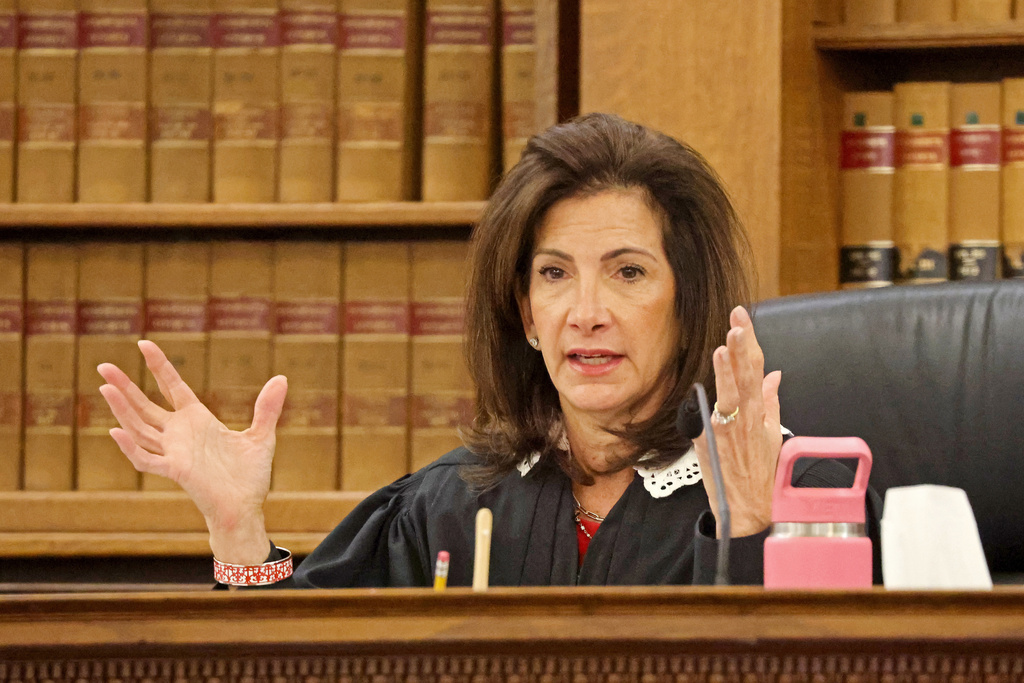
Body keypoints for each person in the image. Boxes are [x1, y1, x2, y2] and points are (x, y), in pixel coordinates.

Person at [97, 113, 881, 587]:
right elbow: (300, 660)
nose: (586, 313)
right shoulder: (450, 500)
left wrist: (750, 530)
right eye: (554, 275)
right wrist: (238, 528)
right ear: (526, 314)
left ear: (690, 303)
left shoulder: (808, 492)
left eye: (629, 273)